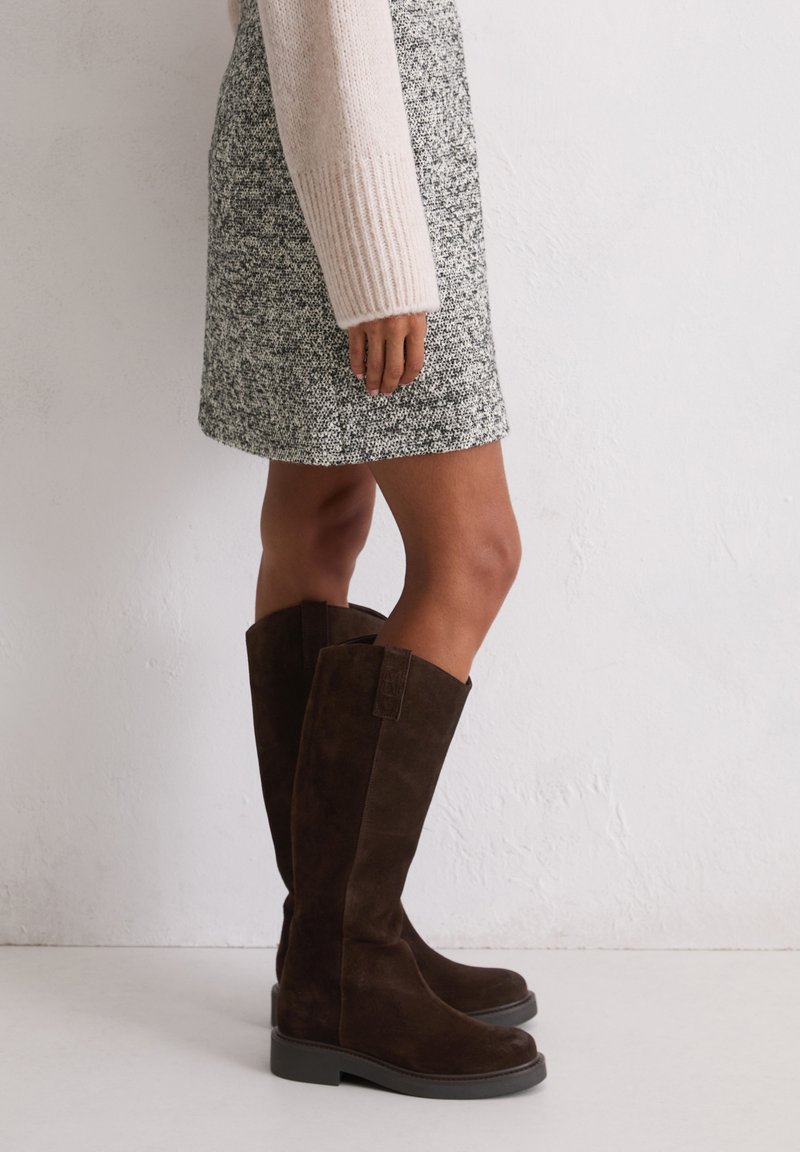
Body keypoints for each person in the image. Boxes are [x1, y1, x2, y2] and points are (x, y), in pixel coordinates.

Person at [199, 0, 546, 1099]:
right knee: (474, 555)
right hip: (358, 186)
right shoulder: (367, 216)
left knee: (324, 519)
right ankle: (343, 961)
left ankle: (340, 937)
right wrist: (379, 259)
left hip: (324, 154)